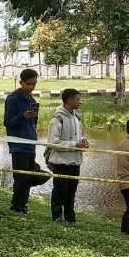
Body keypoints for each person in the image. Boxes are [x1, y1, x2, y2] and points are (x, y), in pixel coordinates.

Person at [3, 68, 51, 214]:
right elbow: (8, 122)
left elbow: (33, 123)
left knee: (30, 176)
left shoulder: (32, 100)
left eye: (34, 84)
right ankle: (16, 206)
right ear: (21, 83)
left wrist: (32, 118)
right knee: (21, 178)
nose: (31, 87)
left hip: (31, 144)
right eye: (28, 84)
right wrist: (23, 116)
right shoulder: (13, 99)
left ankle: (23, 204)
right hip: (18, 145)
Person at [45, 88, 89, 224]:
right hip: (61, 161)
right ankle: (57, 217)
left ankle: (70, 218)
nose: (80, 102)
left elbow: (76, 136)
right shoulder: (57, 119)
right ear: (70, 100)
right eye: (78, 99)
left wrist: (83, 140)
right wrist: (74, 145)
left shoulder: (76, 117)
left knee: (71, 191)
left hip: (75, 161)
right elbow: (53, 143)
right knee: (60, 190)